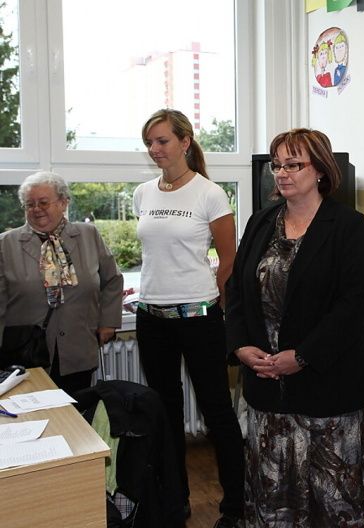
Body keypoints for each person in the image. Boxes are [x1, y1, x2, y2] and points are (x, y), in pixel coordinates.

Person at [225, 128, 364, 527]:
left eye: (293, 165)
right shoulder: (260, 223)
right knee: (275, 507)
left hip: (328, 396)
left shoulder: (348, 226)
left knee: (335, 509)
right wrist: (240, 346)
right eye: (277, 165)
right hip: (267, 394)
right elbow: (236, 290)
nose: (282, 173)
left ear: (321, 170)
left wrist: (303, 356)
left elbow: (353, 306)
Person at [133, 109, 244, 528]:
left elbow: (228, 261)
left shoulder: (209, 194)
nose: (154, 149)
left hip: (198, 318)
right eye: (149, 142)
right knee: (165, 415)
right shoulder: (143, 194)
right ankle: (174, 501)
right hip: (150, 318)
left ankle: (235, 507)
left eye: (162, 140)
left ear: (184, 142)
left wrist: (217, 306)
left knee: (217, 413)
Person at [0, 171, 122, 395]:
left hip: (78, 347)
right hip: (24, 351)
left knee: (76, 410)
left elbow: (112, 280)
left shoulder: (88, 235)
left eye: (43, 202)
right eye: (30, 204)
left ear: (64, 202)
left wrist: (108, 323)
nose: (36, 209)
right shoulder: (6, 244)